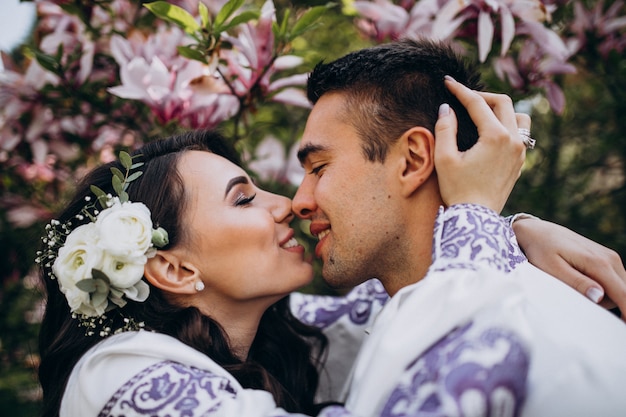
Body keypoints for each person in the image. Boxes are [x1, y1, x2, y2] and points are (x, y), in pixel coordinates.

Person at [292, 38, 626, 416]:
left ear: (413, 159)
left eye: (319, 168)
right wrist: (508, 227)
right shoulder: (393, 311)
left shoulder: (543, 346)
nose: (299, 202)